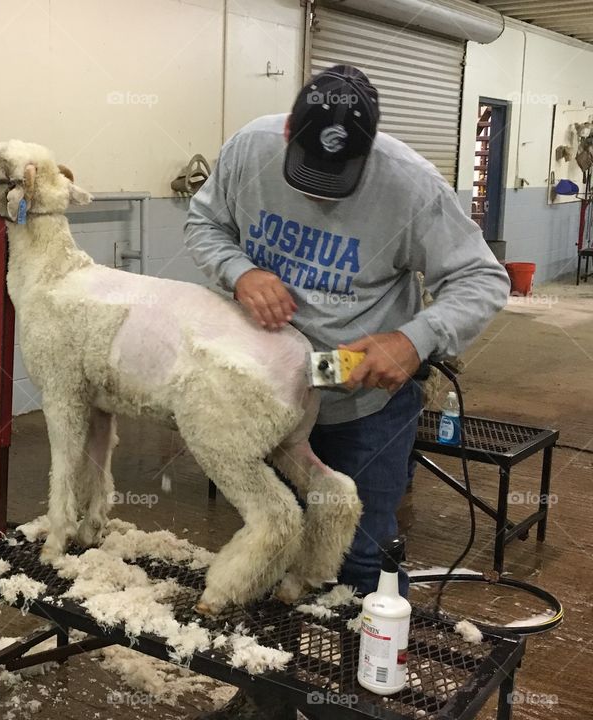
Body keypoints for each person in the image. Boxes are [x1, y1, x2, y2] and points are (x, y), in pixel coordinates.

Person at [184, 65, 510, 719]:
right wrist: (241, 271)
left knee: (360, 552)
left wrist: (415, 338)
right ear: (287, 132)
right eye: (311, 173)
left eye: (342, 181)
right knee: (275, 538)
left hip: (358, 395)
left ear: (371, 149)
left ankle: (354, 705)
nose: (327, 196)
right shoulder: (250, 148)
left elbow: (483, 278)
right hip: (270, 393)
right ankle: (272, 699)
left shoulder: (412, 184)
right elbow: (204, 226)